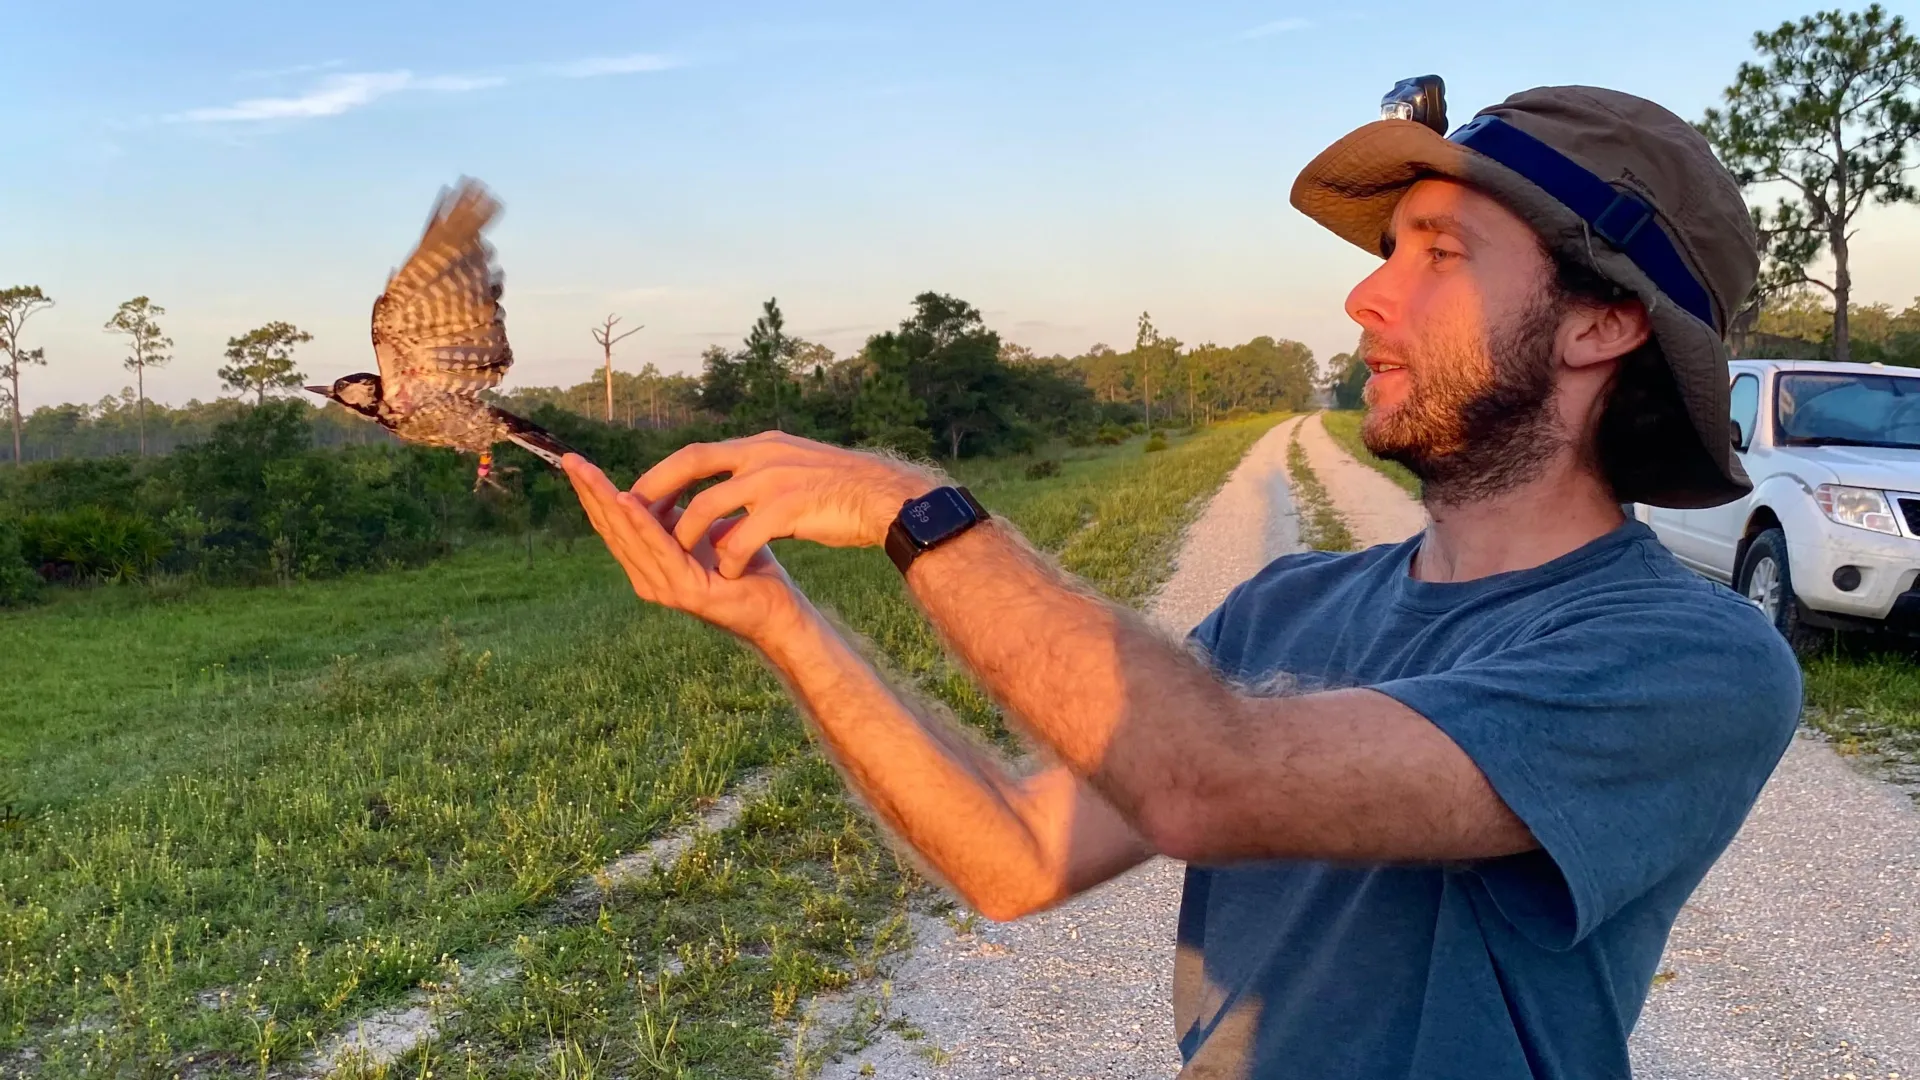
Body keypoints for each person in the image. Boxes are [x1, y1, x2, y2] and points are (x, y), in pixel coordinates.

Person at [561, 85, 1803, 1079]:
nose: (1367, 293)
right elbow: (1014, 855)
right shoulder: (1285, 608)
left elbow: (1207, 784)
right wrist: (779, 619)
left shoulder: (1690, 660)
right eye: (1390, 249)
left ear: (1601, 324)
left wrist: (915, 510)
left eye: (1442, 254)